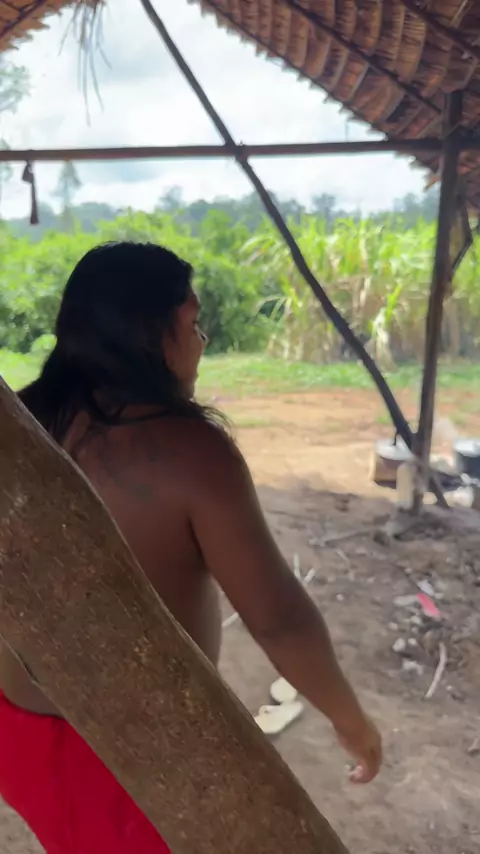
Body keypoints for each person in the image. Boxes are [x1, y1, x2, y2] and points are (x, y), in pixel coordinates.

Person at [0, 242, 381, 854]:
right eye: (193, 323)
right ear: (154, 332)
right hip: (129, 759)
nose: (201, 342)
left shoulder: (22, 422)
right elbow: (278, 618)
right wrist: (349, 717)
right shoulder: (190, 452)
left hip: (18, 730)